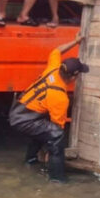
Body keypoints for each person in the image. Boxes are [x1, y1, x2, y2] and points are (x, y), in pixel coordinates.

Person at [8, 32, 87, 183]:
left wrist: (75, 41)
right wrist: (51, 150)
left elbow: (57, 51)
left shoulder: (53, 68)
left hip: (19, 109)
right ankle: (57, 179)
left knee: (44, 128)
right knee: (56, 135)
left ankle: (30, 162)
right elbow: (57, 127)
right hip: (24, 119)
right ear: (73, 77)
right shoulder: (60, 97)